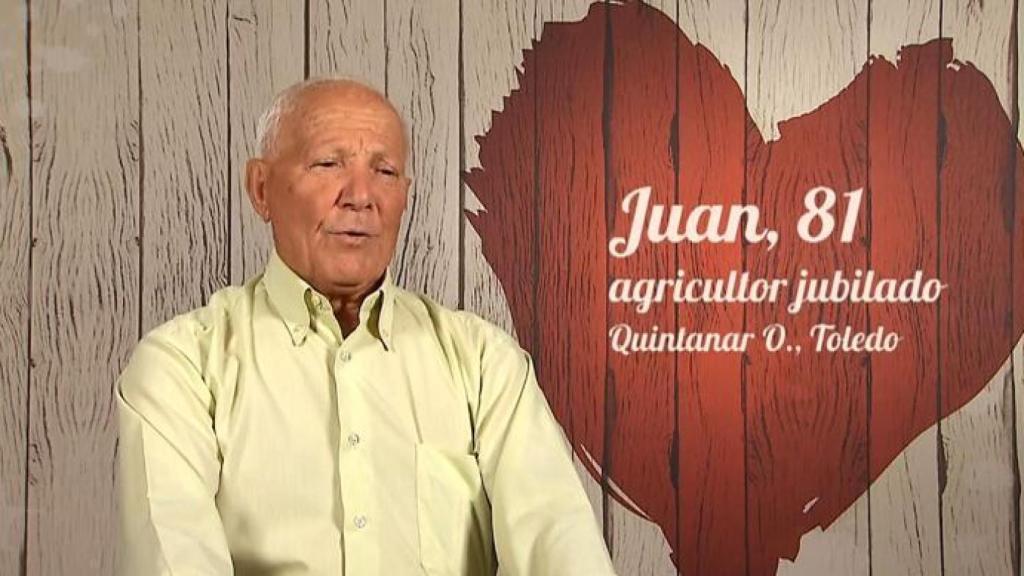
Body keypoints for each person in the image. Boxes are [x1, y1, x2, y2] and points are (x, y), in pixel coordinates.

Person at [116, 78, 617, 576]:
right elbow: (174, 560)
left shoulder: (484, 363)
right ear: (261, 189)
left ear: (406, 195)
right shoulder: (181, 367)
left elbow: (563, 546)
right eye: (328, 163)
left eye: (385, 170)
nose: (360, 196)